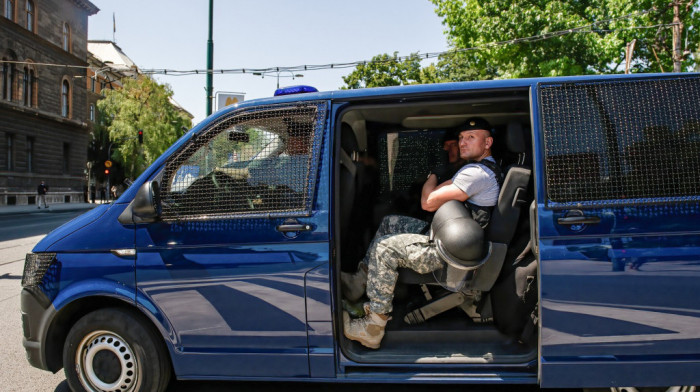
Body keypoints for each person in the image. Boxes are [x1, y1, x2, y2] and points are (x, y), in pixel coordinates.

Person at [342, 117, 501, 349]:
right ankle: (358, 284)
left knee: (386, 247)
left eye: (471, 137)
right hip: (450, 237)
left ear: (487, 142)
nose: (463, 143)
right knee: (391, 222)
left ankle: (373, 327)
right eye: (461, 138)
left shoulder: (476, 173)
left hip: (451, 255)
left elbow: (428, 202)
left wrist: (432, 176)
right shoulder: (481, 169)